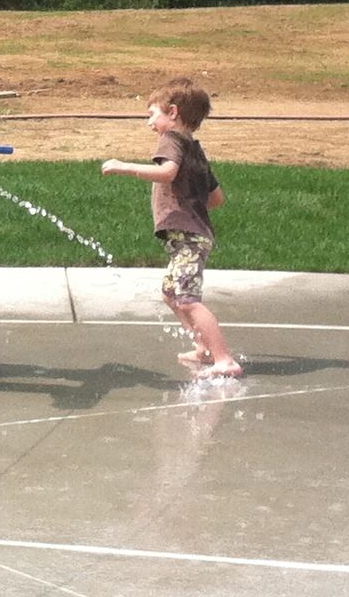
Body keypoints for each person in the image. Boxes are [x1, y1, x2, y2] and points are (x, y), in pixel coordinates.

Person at [102, 77, 243, 377]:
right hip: (195, 234)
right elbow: (217, 198)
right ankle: (204, 347)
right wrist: (190, 196)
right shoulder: (195, 149)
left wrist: (123, 167)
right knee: (171, 292)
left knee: (188, 300)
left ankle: (224, 359)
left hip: (189, 237)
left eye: (152, 114)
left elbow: (167, 172)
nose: (149, 122)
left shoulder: (172, 141)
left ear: (173, 113)